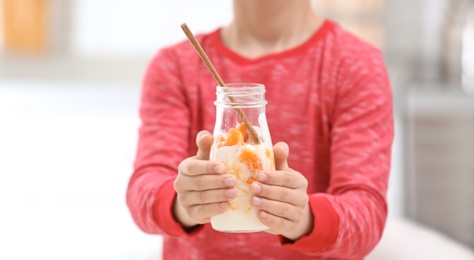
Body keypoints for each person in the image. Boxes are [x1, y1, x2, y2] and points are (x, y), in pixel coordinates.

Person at [126, 0, 394, 259]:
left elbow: (366, 217)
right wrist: (183, 202)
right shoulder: (174, 66)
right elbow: (143, 191)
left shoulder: (355, 65)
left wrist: (303, 217)